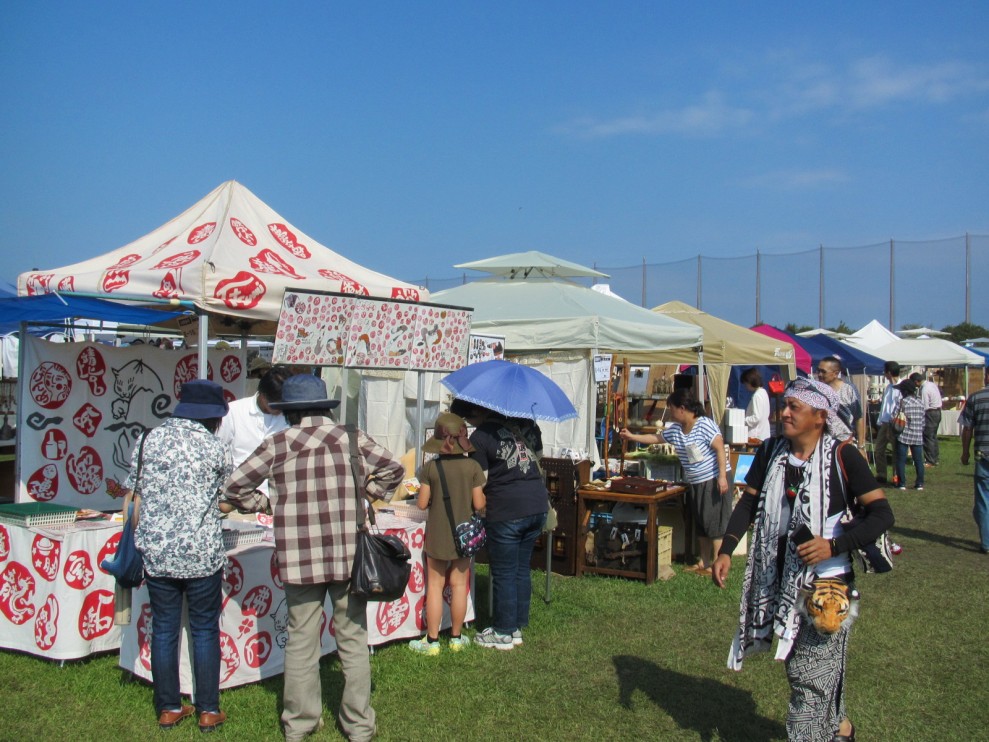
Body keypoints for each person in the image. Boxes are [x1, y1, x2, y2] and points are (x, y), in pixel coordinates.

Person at [221, 374, 403, 742]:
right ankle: (359, 726)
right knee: (352, 639)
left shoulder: (277, 443)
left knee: (302, 641)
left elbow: (234, 487)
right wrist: (366, 494)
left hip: (298, 556)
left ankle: (299, 724)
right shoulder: (349, 436)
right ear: (323, 408)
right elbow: (394, 469)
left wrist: (268, 503)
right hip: (348, 555)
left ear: (290, 411)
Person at [713, 378, 894, 741]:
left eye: (795, 407)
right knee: (805, 666)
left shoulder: (843, 455)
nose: (785, 413)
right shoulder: (770, 451)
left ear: (819, 416)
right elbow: (749, 501)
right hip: (779, 579)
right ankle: (841, 729)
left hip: (827, 586)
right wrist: (726, 550)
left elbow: (882, 515)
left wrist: (834, 544)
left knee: (807, 678)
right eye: (786, 405)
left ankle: (812, 733)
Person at [129, 380, 233, 732]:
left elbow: (135, 497)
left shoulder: (147, 440)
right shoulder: (215, 447)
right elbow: (225, 499)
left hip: (158, 551)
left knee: (164, 629)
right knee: (204, 629)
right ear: (214, 416)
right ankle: (207, 709)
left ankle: (169, 707)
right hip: (202, 552)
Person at [449, 398, 548, 650]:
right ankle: (517, 625)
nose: (469, 424)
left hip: (506, 509)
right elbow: (538, 459)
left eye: (468, 419)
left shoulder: (481, 437)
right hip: (536, 505)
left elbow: (479, 481)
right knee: (521, 568)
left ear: (476, 411)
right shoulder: (528, 425)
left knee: (504, 571)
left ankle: (503, 631)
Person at [621, 388, 729, 575]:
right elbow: (657, 438)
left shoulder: (704, 424)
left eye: (671, 408)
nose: (670, 411)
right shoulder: (677, 430)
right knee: (701, 523)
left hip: (712, 479)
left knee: (714, 524)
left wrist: (722, 477)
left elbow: (719, 447)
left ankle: (717, 565)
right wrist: (632, 436)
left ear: (682, 408)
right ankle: (703, 562)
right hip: (695, 481)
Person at [409, 412, 486, 655]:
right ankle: (455, 637)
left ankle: (431, 642)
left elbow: (421, 504)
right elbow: (479, 503)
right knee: (459, 584)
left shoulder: (430, 468)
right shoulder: (473, 467)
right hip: (464, 535)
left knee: (434, 585)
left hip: (438, 533)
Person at [216, 365, 292, 502]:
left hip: (278, 496)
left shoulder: (290, 417)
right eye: (276, 405)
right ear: (262, 396)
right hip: (238, 496)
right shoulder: (234, 412)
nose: (280, 409)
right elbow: (220, 451)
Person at [959, 371, 989, 554]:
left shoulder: (976, 398)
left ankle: (986, 542)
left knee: (983, 501)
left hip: (983, 454)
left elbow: (967, 428)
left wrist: (965, 453)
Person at [815, 356, 863, 443]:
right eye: (818, 371)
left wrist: (861, 445)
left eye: (823, 372)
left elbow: (858, 418)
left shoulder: (849, 389)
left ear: (836, 373)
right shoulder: (816, 390)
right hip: (823, 443)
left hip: (845, 442)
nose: (819, 374)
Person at [873, 361, 902, 484]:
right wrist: (880, 421)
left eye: (885, 372)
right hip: (885, 422)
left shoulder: (901, 387)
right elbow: (885, 406)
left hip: (895, 422)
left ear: (889, 373)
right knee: (879, 449)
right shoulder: (889, 387)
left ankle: (897, 475)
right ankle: (881, 474)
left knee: (896, 450)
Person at [894, 379, 926, 491]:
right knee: (918, 460)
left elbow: (894, 416)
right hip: (917, 434)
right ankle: (920, 483)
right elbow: (923, 421)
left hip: (904, 434)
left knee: (901, 460)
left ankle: (902, 483)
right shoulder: (920, 402)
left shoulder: (902, 402)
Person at [911, 372, 943, 467]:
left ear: (917, 382)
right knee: (933, 437)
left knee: (927, 437)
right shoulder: (931, 384)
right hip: (937, 412)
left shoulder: (924, 390)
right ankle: (935, 458)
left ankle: (930, 460)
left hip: (930, 413)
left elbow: (924, 406)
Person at [741, 368, 770, 442]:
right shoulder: (763, 392)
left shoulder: (757, 396)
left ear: (750, 382)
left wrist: (742, 421)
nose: (745, 386)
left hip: (755, 436)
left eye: (745, 384)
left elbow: (756, 418)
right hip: (763, 433)